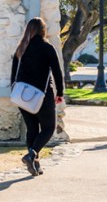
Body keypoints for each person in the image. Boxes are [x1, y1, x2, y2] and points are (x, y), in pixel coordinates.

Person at [10, 17, 65, 176]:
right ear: (43, 30)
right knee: (48, 128)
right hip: (42, 95)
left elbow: (13, 74)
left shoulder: (21, 47)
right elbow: (57, 72)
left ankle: (35, 164)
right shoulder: (47, 48)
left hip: (22, 95)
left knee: (32, 128)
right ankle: (32, 154)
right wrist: (60, 93)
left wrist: (13, 88)